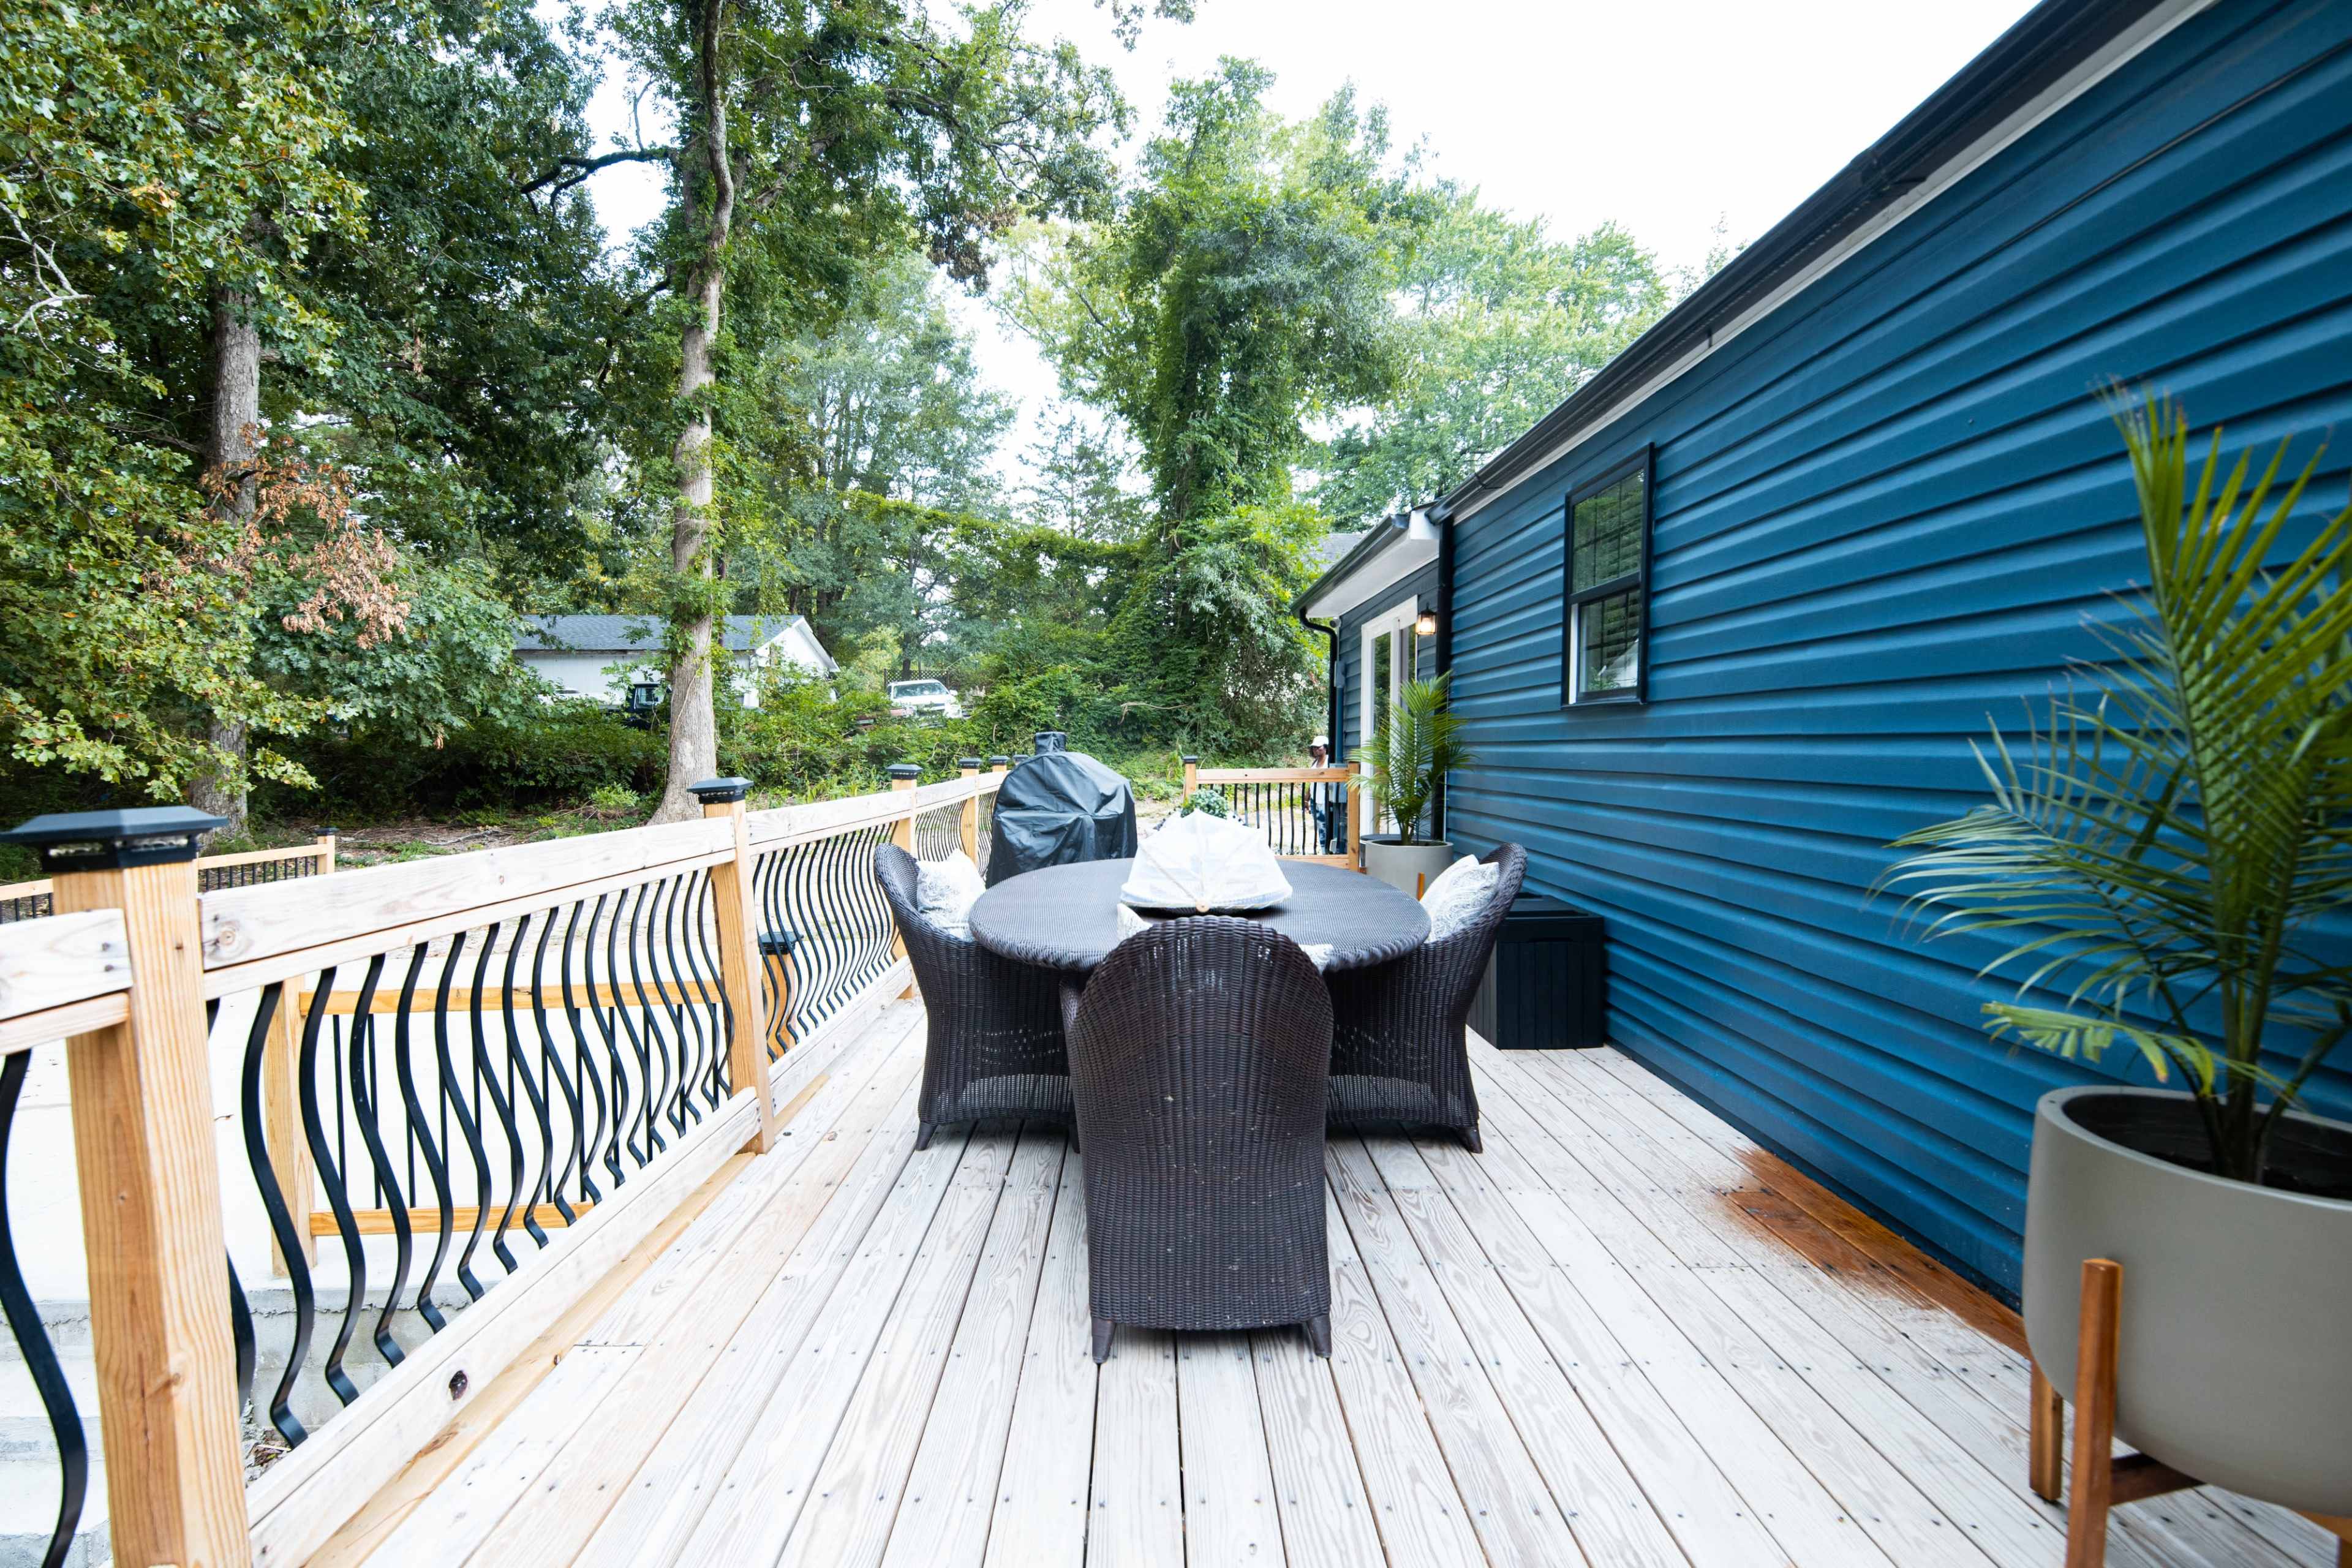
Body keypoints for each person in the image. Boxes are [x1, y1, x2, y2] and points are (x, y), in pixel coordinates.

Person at [1307, 735, 1348, 854]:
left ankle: (1326, 853)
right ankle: (1323, 851)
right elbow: (1311, 782)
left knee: (1325, 827)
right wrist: (1306, 799)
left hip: (1324, 800)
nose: (1316, 750)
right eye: (1314, 748)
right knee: (1319, 827)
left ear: (1325, 748)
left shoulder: (1328, 761)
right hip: (1315, 800)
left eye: (1318, 747)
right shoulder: (1315, 762)